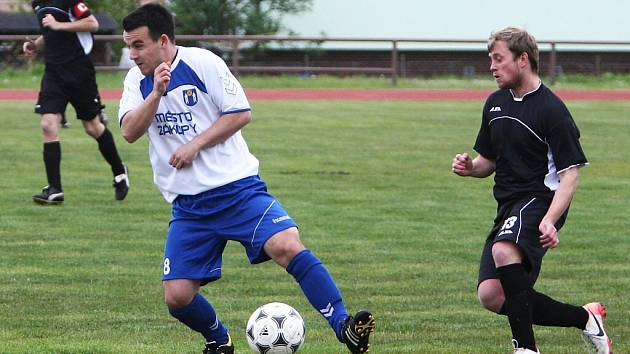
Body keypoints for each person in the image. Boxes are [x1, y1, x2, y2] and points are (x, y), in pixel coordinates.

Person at [118, 4, 375, 354]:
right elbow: (130, 131)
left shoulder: (203, 63)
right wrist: (156, 93)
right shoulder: (137, 80)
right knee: (177, 297)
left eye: (138, 45)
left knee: (286, 244)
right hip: (190, 207)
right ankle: (219, 339)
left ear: (162, 40)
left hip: (237, 191)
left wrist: (195, 144)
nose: (132, 55)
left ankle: (344, 326)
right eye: (129, 46)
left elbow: (240, 113)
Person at [452, 27, 612, 354]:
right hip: (510, 206)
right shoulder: (495, 103)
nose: (492, 67)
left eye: (499, 59)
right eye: (490, 60)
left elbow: (570, 176)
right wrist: (471, 169)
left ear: (522, 59)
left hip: (541, 200)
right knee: (492, 296)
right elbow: (488, 161)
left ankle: (526, 348)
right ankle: (586, 319)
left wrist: (551, 220)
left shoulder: (551, 110)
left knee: (503, 251)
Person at [23, 0, 129, 205]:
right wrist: (35, 44)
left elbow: (92, 23)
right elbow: (51, 33)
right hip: (53, 72)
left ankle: (119, 172)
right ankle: (55, 189)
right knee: (47, 124)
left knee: (92, 127)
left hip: (78, 71)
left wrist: (59, 24)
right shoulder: (37, 3)